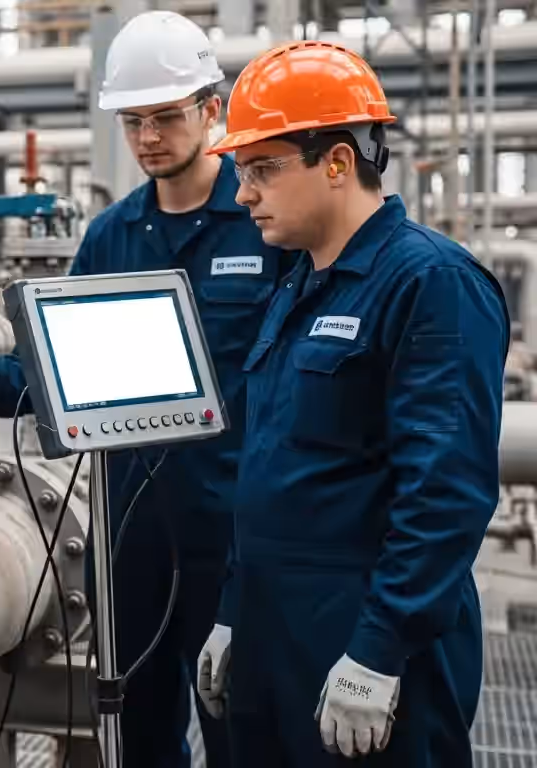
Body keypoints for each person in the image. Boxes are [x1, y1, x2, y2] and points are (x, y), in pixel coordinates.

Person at [0, 11, 292, 767]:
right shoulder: (112, 235)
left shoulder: (261, 223)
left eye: (166, 116)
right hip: (128, 531)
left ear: (212, 109)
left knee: (239, 728)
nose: (147, 136)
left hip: (235, 533)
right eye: (132, 120)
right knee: (139, 732)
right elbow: (57, 374)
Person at [194, 40, 508, 765]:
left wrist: (378, 650)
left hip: (361, 641)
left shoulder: (431, 285)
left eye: (263, 169)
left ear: (337, 162)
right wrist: (237, 611)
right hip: (275, 630)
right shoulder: (301, 286)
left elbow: (445, 494)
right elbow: (271, 465)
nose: (243, 194)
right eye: (243, 172)